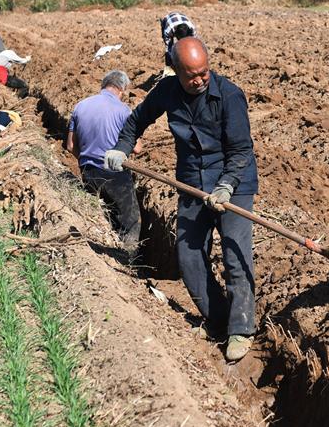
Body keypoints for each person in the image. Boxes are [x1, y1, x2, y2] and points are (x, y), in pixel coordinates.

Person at [105, 37, 258, 362]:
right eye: (192, 75)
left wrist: (227, 186)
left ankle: (241, 329)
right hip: (191, 183)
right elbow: (136, 121)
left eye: (204, 72)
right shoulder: (167, 91)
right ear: (176, 70)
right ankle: (216, 320)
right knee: (189, 256)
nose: (200, 79)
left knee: (234, 254)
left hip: (234, 184)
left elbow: (242, 150)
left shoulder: (228, 95)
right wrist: (122, 146)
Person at [67, 70, 142, 255]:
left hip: (88, 171)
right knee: (130, 220)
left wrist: (86, 161)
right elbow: (137, 148)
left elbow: (70, 146)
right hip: (115, 174)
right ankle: (127, 261)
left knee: (102, 215)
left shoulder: (80, 106)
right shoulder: (123, 110)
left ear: (104, 85)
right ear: (121, 89)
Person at [160, 11, 197, 77]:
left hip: (180, 18)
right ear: (176, 34)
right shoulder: (169, 30)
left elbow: (194, 45)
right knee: (169, 49)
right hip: (168, 20)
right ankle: (169, 68)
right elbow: (168, 48)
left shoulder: (192, 29)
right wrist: (173, 61)